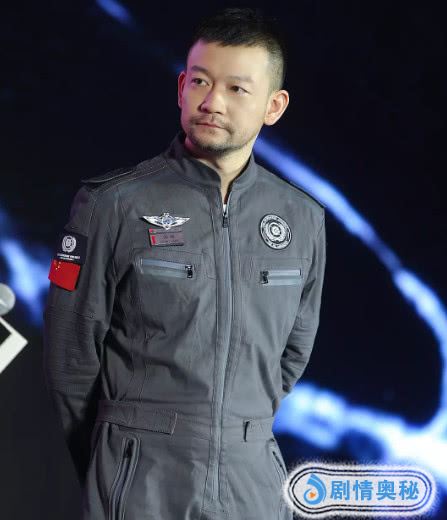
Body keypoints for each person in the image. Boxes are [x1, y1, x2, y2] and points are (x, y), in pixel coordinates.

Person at [43, 7, 326, 520]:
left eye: (236, 89)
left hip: (254, 481)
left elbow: (293, 353)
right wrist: (116, 460)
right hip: (139, 478)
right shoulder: (113, 204)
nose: (212, 101)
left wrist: (236, 425)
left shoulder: (302, 218)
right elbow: (70, 361)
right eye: (200, 81)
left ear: (274, 105)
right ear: (181, 88)